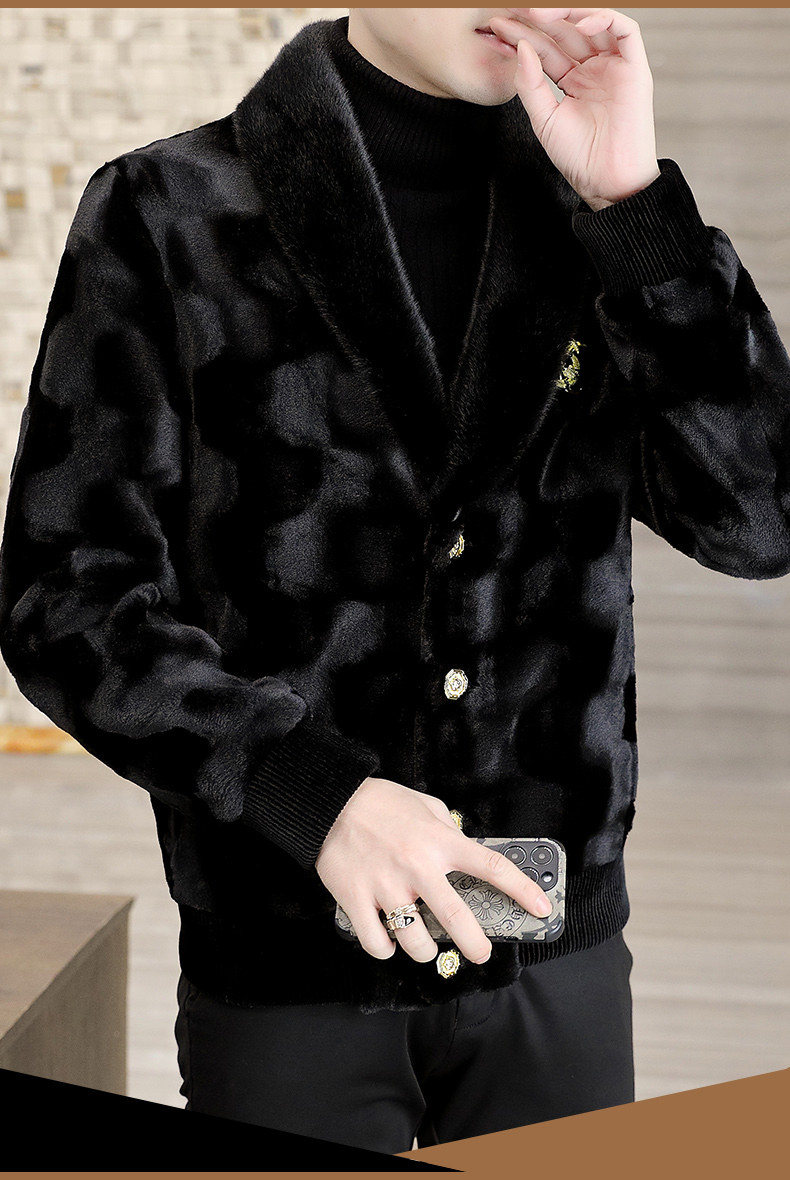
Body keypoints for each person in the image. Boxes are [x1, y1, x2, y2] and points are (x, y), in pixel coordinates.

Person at [1, 6, 789, 1154]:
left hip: (551, 953)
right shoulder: (167, 211)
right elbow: (65, 597)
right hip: (287, 961)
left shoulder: (596, 219)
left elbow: (761, 518)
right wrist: (306, 792)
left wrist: (634, 213)